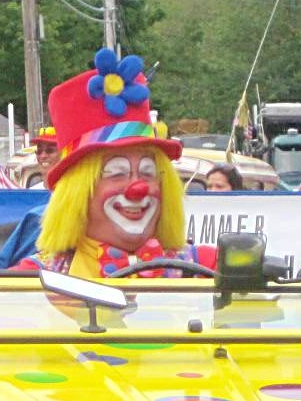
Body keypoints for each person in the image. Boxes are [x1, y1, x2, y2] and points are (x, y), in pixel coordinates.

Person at [15, 49, 215, 277]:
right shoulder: (36, 278)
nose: (138, 188)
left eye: (148, 173)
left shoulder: (202, 266)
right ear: (77, 193)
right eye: (116, 173)